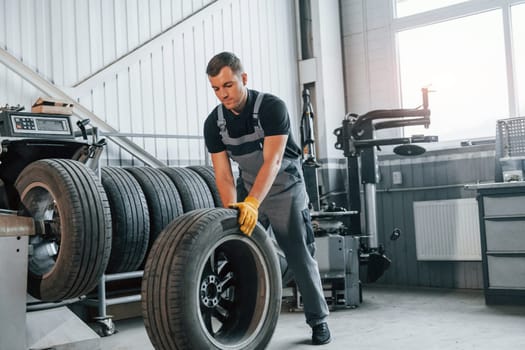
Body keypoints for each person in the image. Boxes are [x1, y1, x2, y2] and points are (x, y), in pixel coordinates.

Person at [203, 51, 331, 345]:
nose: (223, 95)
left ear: (243, 78)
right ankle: (242, 320)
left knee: (299, 253)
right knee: (238, 250)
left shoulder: (272, 108)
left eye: (228, 85)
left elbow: (273, 163)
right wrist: (232, 214)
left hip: (286, 187)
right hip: (249, 187)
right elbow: (223, 174)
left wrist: (253, 204)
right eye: (216, 89)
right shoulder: (215, 124)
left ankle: (318, 320)